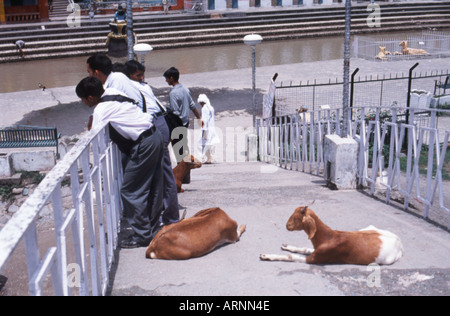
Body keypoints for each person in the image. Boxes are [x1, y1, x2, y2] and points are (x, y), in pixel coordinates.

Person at [75, 76, 164, 248]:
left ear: (91, 98)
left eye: (83, 100)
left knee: (130, 191)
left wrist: (92, 122)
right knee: (153, 186)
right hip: (154, 135)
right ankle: (151, 228)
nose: (83, 103)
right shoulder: (112, 92)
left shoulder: (101, 109)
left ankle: (142, 235)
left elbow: (97, 139)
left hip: (144, 143)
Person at [124, 60, 180, 225]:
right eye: (138, 75)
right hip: (159, 124)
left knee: (164, 173)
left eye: (142, 75)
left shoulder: (134, 87)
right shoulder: (141, 86)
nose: (141, 78)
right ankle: (166, 215)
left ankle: (170, 217)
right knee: (161, 173)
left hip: (156, 124)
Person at [163, 66, 202, 184]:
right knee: (183, 150)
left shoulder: (173, 93)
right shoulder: (185, 89)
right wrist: (199, 117)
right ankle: (185, 177)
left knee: (177, 151)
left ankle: (179, 179)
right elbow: (192, 105)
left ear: (171, 78)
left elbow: (175, 112)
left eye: (166, 79)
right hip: (185, 124)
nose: (166, 81)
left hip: (176, 125)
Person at [197, 94, 219, 164]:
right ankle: (209, 157)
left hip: (206, 129)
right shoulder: (211, 108)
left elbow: (205, 120)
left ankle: (208, 157)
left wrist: (204, 131)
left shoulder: (204, 109)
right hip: (212, 128)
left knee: (203, 143)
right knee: (208, 143)